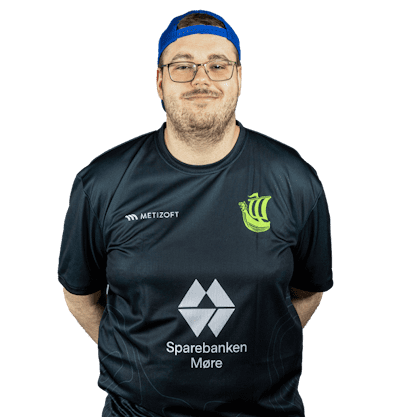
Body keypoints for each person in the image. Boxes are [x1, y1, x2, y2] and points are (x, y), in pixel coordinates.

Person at [58, 9, 334, 417]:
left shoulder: (294, 180)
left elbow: (309, 290)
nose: (201, 79)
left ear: (239, 79)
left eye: (218, 65)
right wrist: (137, 362)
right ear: (159, 81)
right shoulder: (101, 183)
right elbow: (81, 297)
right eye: (182, 66)